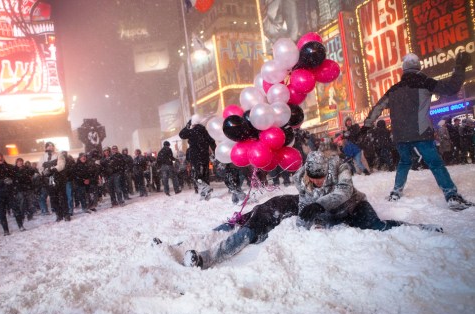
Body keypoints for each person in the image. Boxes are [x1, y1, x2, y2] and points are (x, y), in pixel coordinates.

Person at [181, 150, 442, 269]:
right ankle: (207, 257)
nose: (316, 182)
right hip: (326, 212)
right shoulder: (300, 178)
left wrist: (319, 202)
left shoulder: (340, 168)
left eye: (319, 178)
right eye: (312, 178)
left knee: (377, 227)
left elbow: (344, 193)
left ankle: (420, 229)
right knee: (317, 224)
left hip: (353, 205)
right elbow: (305, 203)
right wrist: (310, 212)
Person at [362, 51, 473, 211]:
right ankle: (451, 194)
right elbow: (450, 88)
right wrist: (459, 67)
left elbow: (377, 108)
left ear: (403, 69)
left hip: (400, 136)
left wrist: (366, 125)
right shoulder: (425, 82)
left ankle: (396, 191)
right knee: (435, 163)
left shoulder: (394, 89)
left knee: (404, 162)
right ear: (418, 67)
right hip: (421, 133)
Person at [0, 152, 26, 235]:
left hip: (10, 192)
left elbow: (17, 177)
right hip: (0, 194)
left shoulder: (9, 167)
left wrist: (12, 181)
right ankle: (6, 230)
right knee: (2, 212)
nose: (0, 158)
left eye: (1, 156)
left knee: (16, 209)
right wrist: (1, 181)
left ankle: (20, 226)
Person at [179, 115, 216, 196]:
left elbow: (181, 135)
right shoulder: (205, 131)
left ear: (193, 122)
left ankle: (204, 189)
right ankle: (205, 193)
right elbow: (212, 142)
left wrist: (187, 126)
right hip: (204, 156)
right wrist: (214, 152)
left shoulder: (191, 131)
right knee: (205, 174)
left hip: (195, 156)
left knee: (196, 175)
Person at [38, 142, 70, 221]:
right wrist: (43, 172)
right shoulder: (42, 157)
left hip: (58, 178)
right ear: (46, 148)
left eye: (52, 146)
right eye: (48, 146)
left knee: (63, 197)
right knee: (53, 198)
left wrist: (53, 169)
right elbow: (40, 167)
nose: (50, 147)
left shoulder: (59, 155)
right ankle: (58, 214)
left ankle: (66, 214)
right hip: (48, 180)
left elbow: (61, 165)